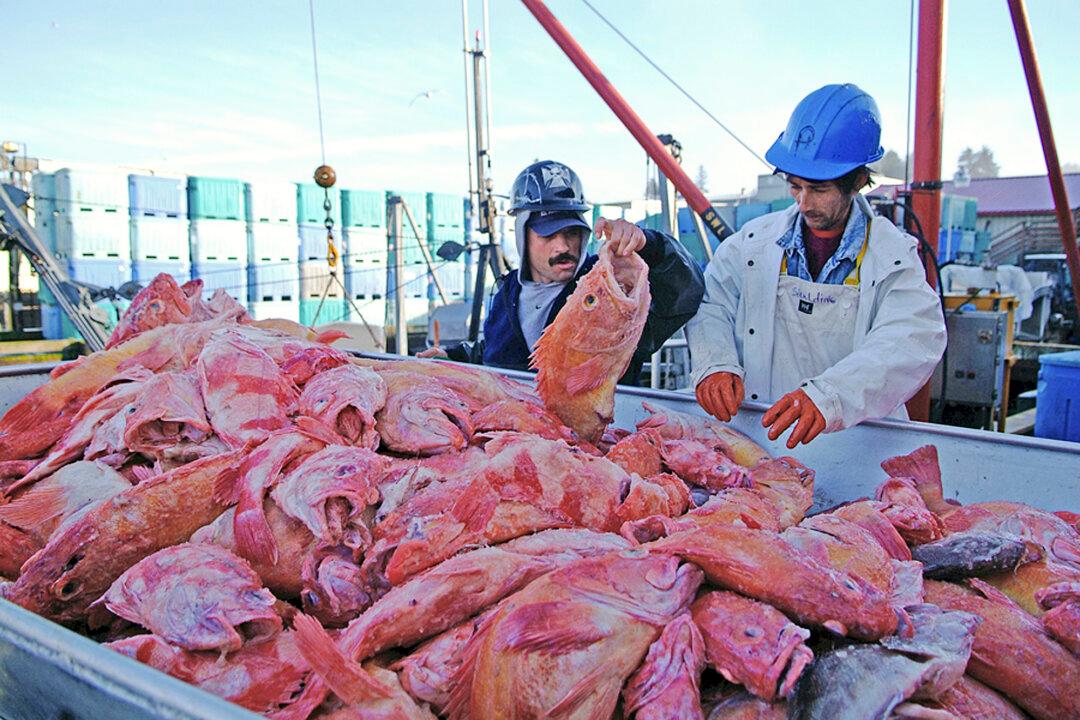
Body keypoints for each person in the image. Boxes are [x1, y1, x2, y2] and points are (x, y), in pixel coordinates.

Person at [686, 83, 946, 448]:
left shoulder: (893, 259)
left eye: (819, 189)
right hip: (762, 440)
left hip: (857, 447)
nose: (804, 202)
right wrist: (716, 363)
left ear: (857, 181)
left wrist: (832, 396)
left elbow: (911, 340)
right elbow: (711, 302)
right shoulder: (753, 243)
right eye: (795, 186)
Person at [419, 160, 705, 385]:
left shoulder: (611, 285)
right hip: (515, 437)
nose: (564, 245)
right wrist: (456, 356)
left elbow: (685, 292)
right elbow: (499, 351)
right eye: (548, 234)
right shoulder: (509, 291)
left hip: (592, 443)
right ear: (522, 234)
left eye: (572, 232)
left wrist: (651, 246)